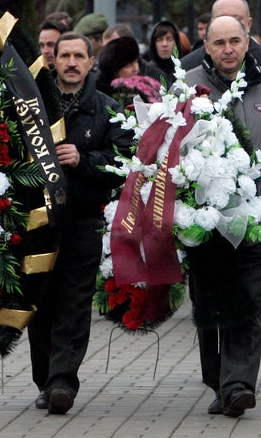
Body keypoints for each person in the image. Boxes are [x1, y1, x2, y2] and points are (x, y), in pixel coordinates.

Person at [183, 15, 261, 418]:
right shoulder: (187, 87)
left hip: (256, 216)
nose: (228, 49)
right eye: (219, 42)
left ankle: (238, 384)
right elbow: (168, 145)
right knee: (208, 302)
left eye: (235, 40)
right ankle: (217, 378)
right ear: (207, 46)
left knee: (249, 298)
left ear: (247, 41)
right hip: (202, 220)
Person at [28, 32, 133, 415]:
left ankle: (62, 382)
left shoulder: (107, 109)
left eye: (79, 56)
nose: (71, 62)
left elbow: (124, 164)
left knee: (73, 304)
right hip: (37, 223)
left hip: (83, 220)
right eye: (64, 55)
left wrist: (84, 158)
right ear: (51, 59)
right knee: (41, 305)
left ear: (92, 62)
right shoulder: (31, 105)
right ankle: (45, 379)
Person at [181, 0, 261, 87]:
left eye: (236, 19)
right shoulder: (187, 67)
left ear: (249, 24)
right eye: (222, 18)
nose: (229, 24)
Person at [96, 36, 163, 105]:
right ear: (115, 72)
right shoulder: (102, 97)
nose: (136, 69)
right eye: (129, 65)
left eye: (136, 62)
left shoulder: (147, 87)